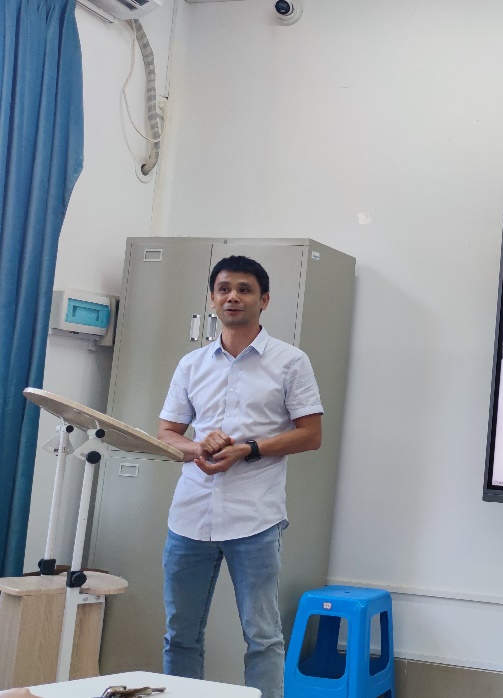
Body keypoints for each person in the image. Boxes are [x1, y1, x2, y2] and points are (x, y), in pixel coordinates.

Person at [156, 256, 323, 698]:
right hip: (189, 518)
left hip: (255, 519)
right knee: (180, 636)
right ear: (212, 299)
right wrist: (199, 447)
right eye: (224, 289)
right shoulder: (191, 364)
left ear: (264, 300)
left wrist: (248, 449)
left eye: (244, 289)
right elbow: (166, 434)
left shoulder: (290, 362)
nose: (233, 297)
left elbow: (311, 434)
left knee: (262, 638)